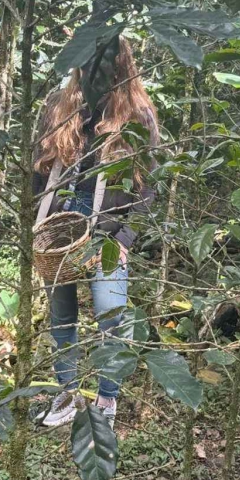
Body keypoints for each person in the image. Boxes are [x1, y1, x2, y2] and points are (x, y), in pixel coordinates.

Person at [32, 37, 160, 428]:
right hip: (61, 218)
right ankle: (67, 394)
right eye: (87, 63)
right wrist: (36, 223)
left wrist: (124, 238)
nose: (93, 72)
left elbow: (149, 185)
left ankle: (107, 398)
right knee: (61, 314)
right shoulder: (59, 104)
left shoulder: (137, 112)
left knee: (110, 313)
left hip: (108, 224)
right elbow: (38, 169)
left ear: (120, 66)